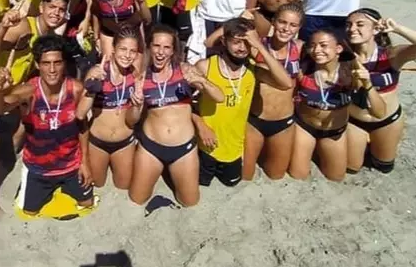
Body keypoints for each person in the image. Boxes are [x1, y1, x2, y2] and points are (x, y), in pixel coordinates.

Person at [0, 34, 94, 215]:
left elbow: (82, 126)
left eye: (57, 63)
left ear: (64, 64)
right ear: (37, 65)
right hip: (38, 169)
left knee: (87, 204)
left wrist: (85, 163)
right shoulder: (28, 91)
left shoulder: (75, 88)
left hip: (71, 165)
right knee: (29, 213)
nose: (52, 69)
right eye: (46, 63)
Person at [127, 25, 224, 207]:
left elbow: (220, 97)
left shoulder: (185, 70)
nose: (160, 52)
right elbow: (131, 121)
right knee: (137, 198)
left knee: (189, 202)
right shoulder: (141, 77)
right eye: (156, 46)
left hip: (183, 148)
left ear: (173, 51)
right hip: (151, 147)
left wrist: (202, 81)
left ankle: (170, 172)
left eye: (166, 47)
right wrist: (136, 106)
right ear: (149, 47)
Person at [196, 18, 293, 186]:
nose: (242, 48)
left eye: (247, 43)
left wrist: (260, 47)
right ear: (224, 41)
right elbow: (185, 101)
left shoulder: (252, 70)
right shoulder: (205, 66)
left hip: (234, 148)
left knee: (231, 182)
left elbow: (286, 83)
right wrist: (201, 126)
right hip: (205, 144)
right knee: (202, 182)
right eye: (236, 42)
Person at [345, 8, 416, 173]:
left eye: (360, 24)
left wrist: (397, 28)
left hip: (387, 121)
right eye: (349, 24)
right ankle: (361, 144)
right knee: (352, 167)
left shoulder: (391, 55)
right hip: (354, 121)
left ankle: (373, 144)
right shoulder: (344, 56)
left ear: (375, 29)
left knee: (384, 165)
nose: (352, 29)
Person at [289, 29, 387, 182]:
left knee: (336, 177)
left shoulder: (350, 74)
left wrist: (367, 84)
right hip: (305, 127)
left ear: (339, 49)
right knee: (298, 175)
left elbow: (379, 113)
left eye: (323, 45)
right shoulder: (304, 69)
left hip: (334, 131)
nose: (317, 50)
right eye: (312, 46)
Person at [240, 2, 304, 180]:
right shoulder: (256, 45)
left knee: (276, 175)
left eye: (293, 25)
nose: (286, 29)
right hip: (255, 120)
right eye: (282, 22)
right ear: (273, 22)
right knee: (245, 176)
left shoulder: (300, 48)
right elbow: (211, 43)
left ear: (299, 28)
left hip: (283, 122)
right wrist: (239, 20)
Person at [78, 27, 143, 189]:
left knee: (123, 185)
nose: (127, 55)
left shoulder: (134, 74)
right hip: (97, 142)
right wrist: (92, 88)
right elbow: (80, 114)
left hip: (125, 142)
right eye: (123, 49)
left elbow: (132, 120)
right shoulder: (97, 71)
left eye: (132, 51)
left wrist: (137, 106)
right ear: (113, 48)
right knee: (97, 183)